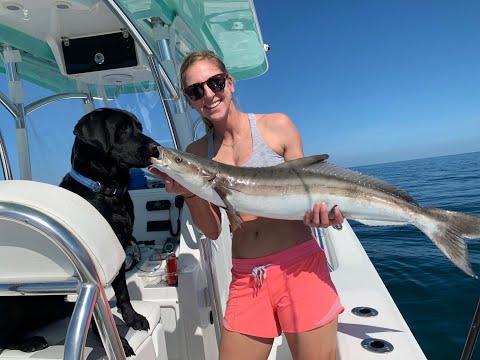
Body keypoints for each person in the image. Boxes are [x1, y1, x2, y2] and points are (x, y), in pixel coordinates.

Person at [148, 50, 344, 360]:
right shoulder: (197, 151)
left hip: (300, 269)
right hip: (247, 278)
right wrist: (188, 193)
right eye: (196, 91)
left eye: (215, 83)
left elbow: (312, 193)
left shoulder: (276, 126)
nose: (209, 95)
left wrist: (327, 215)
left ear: (230, 83)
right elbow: (212, 230)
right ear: (189, 100)